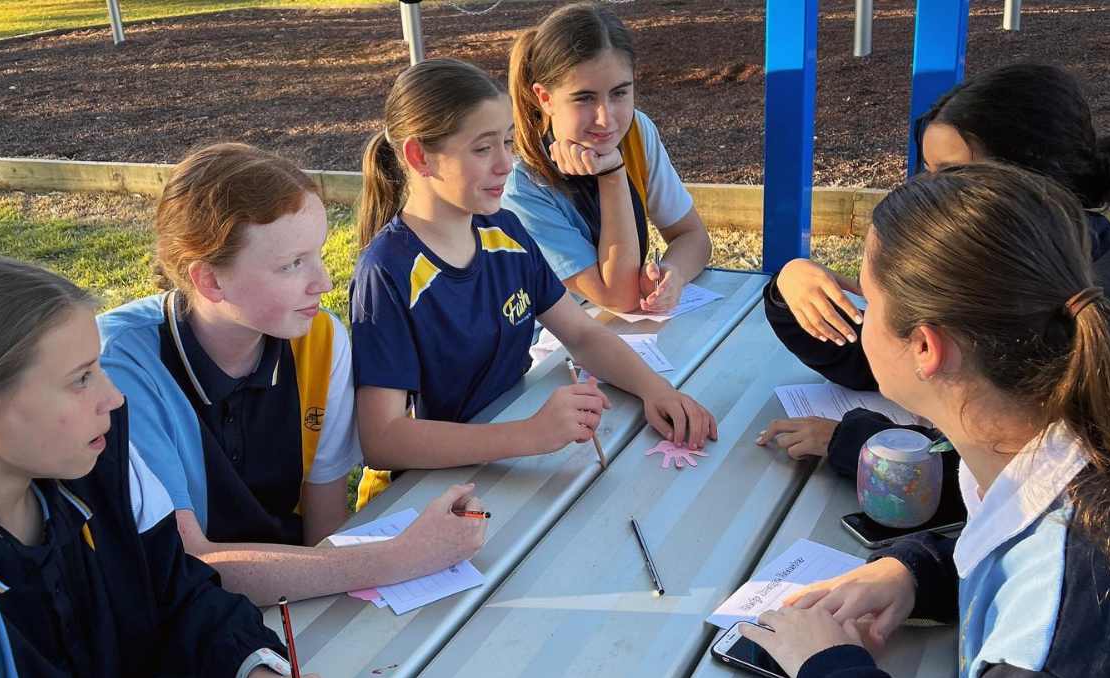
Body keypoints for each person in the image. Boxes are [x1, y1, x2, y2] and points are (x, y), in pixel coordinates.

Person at [741, 163, 1110, 678]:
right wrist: (919, 572)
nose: (863, 315)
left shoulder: (1051, 631)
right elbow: (1008, 537)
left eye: (869, 302)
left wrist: (829, 666)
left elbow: (1056, 603)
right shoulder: (1063, 441)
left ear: (924, 347)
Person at [98, 143, 486, 606]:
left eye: (317, 254)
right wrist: (405, 555)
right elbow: (188, 564)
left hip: (289, 602)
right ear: (209, 281)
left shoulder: (320, 340)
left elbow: (324, 530)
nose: (322, 282)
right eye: (292, 265)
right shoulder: (120, 369)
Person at [0, 253, 317, 678]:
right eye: (81, 379)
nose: (114, 398)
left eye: (99, 367)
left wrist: (254, 669)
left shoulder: (103, 461)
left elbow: (180, 595)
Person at [350, 58, 716, 505]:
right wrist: (527, 435)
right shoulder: (386, 271)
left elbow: (581, 333)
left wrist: (655, 390)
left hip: (519, 461)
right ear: (418, 157)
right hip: (439, 490)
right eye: (483, 149)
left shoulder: (504, 231)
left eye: (507, 142)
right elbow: (384, 439)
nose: (506, 164)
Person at [758, 63, 1110, 471]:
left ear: (1031, 179)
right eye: (928, 172)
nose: (926, 192)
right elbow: (888, 358)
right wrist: (792, 292)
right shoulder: (997, 264)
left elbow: (1024, 467)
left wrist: (864, 445)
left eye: (953, 175)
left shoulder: (1076, 301)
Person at [503, 2, 712, 314]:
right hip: (547, 346)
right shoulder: (522, 182)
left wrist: (671, 273)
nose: (607, 118)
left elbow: (693, 237)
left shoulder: (636, 131)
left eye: (620, 93)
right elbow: (620, 296)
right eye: (584, 98)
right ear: (545, 98)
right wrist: (612, 173)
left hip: (618, 332)